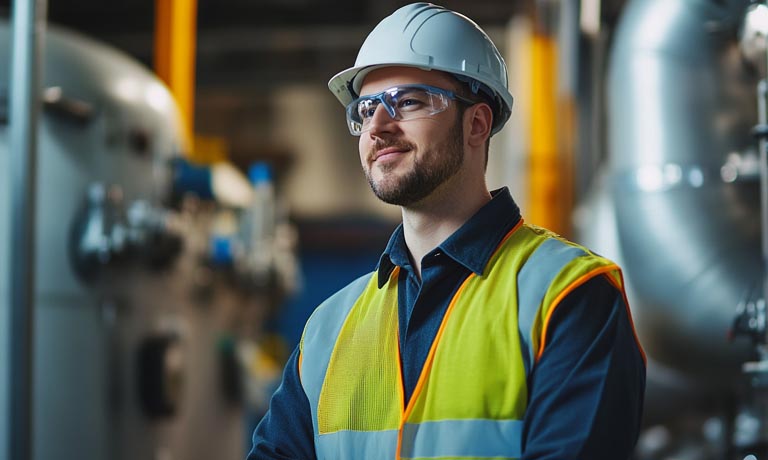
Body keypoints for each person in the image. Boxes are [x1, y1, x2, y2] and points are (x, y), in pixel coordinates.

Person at [248, 3, 646, 459]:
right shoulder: (327, 329)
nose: (377, 126)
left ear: (477, 123)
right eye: (367, 107)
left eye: (409, 101)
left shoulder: (568, 294)